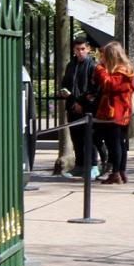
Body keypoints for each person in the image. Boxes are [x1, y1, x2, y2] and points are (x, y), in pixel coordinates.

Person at [93, 41, 134, 184]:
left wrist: (100, 69)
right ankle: (120, 171)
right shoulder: (122, 69)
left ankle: (116, 172)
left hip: (116, 112)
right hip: (119, 111)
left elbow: (109, 84)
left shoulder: (122, 71)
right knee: (119, 143)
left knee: (115, 144)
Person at [58, 36, 100, 179]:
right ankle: (80, 165)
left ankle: (93, 165)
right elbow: (65, 82)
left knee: (90, 137)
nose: (80, 52)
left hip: (87, 108)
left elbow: (93, 88)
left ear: (88, 49)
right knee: (76, 138)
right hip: (72, 106)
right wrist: (64, 92)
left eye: (83, 49)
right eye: (77, 49)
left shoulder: (92, 66)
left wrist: (81, 103)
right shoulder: (71, 65)